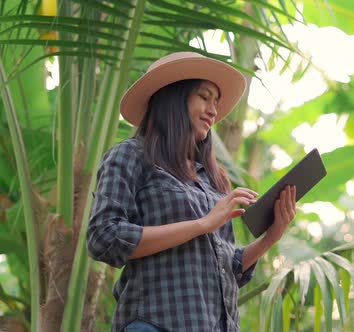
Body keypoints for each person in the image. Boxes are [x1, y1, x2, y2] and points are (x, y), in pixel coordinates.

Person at [87, 52, 297, 332]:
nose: (213, 110)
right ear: (173, 97)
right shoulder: (130, 156)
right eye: (204, 96)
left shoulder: (212, 178)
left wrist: (272, 236)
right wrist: (202, 224)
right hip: (155, 324)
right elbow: (103, 236)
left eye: (216, 102)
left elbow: (229, 267)